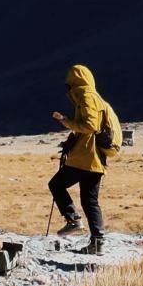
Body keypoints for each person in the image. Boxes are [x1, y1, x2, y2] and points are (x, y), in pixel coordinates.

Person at [48, 64, 122, 256]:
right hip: (95, 159)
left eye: (69, 84)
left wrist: (66, 121)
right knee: (90, 201)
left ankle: (73, 220)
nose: (68, 89)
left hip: (85, 157)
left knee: (56, 184)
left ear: (75, 82)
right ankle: (97, 242)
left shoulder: (87, 97)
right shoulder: (94, 98)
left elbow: (89, 125)